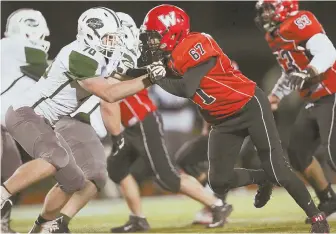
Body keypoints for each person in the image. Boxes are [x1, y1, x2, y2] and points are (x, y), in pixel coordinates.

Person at [136, 4, 329, 232]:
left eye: (155, 37)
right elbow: (144, 74)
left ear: (172, 33)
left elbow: (187, 87)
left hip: (249, 106)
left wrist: (155, 77)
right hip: (222, 120)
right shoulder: (169, 57)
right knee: (218, 181)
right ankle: (263, 177)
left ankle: (317, 216)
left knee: (278, 167)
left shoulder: (195, 44)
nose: (152, 43)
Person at [0, 6, 166, 229]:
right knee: (54, 158)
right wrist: (149, 79)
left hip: (45, 122)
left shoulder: (97, 54)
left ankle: (41, 227)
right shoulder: (79, 55)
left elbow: (118, 77)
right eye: (108, 37)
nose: (112, 42)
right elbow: (108, 92)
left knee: (73, 181)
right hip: (25, 113)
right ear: (90, 34)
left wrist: (147, 69)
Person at [255, 0, 336, 223]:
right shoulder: (274, 35)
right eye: (263, 11)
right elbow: (290, 70)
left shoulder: (300, 21)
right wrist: (276, 95)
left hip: (332, 93)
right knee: (298, 154)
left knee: (333, 154)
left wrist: (310, 70)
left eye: (269, 8)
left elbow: (328, 51)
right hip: (313, 100)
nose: (265, 15)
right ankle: (328, 199)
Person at [1, 8, 50, 233]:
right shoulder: (13, 46)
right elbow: (48, 69)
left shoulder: (10, 52)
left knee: (12, 176)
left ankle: (2, 224)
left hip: (2, 126)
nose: (43, 41)